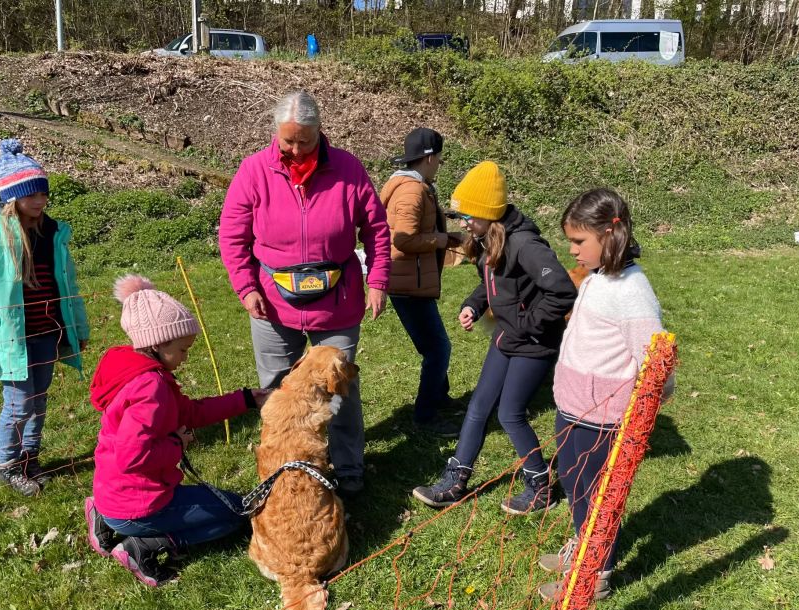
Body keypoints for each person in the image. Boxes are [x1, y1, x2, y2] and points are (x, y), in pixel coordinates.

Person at [218, 90, 391, 498]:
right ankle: (284, 469)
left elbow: (377, 231)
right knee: (279, 392)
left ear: (320, 132)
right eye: (288, 142)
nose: (296, 150)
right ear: (275, 134)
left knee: (341, 390)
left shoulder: (348, 169)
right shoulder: (254, 171)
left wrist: (379, 280)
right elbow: (232, 235)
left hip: (337, 304)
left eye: (305, 141)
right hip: (273, 304)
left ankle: (349, 468)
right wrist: (246, 287)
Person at [412, 161, 577, 513]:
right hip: (507, 338)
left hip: (534, 343)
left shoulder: (525, 244)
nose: (462, 223)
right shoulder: (487, 238)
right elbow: (493, 285)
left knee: (510, 414)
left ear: (488, 213)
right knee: (478, 407)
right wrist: (474, 304)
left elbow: (562, 291)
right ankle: (456, 478)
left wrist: (527, 323)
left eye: (467, 216)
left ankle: (540, 487)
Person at [84, 275, 268, 587]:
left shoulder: (132, 370)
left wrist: (245, 399)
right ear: (158, 343)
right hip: (140, 503)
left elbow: (190, 412)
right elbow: (132, 457)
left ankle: (101, 513)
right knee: (237, 513)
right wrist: (176, 443)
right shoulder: (150, 388)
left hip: (114, 492)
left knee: (230, 506)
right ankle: (142, 546)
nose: (184, 358)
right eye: (182, 349)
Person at [538, 188, 674, 602]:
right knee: (573, 482)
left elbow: (656, 359)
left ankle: (596, 572)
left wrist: (652, 400)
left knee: (595, 494)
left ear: (609, 235)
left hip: (605, 414)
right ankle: (583, 546)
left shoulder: (632, 291)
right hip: (574, 404)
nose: (572, 250)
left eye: (579, 241)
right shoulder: (598, 277)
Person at [0, 138, 90, 497]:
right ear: (11, 196)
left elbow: (69, 284)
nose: (41, 200)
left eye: (44, 193)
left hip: (47, 331)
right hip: (10, 340)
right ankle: (8, 465)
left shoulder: (52, 232)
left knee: (39, 399)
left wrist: (78, 327)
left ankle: (31, 458)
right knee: (18, 405)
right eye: (32, 194)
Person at [380, 127, 464, 437]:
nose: (440, 163)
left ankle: (438, 398)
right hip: (407, 283)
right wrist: (444, 239)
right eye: (439, 158)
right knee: (438, 349)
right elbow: (403, 240)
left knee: (434, 346)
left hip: (412, 281)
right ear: (428, 157)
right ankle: (426, 415)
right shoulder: (411, 191)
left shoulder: (416, 186)